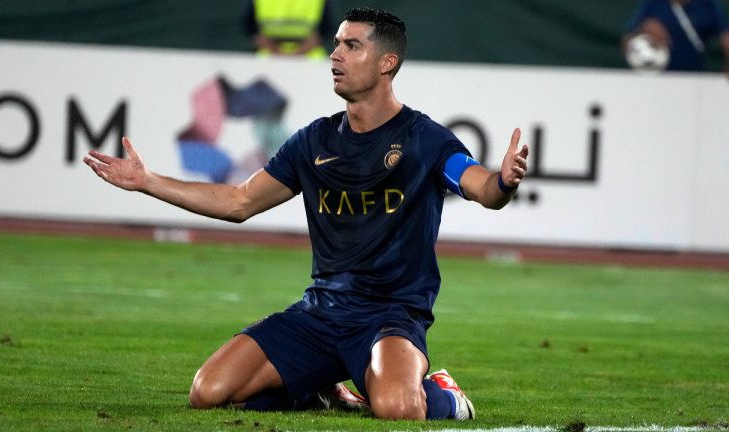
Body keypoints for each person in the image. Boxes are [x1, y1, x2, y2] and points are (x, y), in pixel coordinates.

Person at [84, 7, 528, 421]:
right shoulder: (313, 141)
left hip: (390, 316)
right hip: (320, 312)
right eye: (336, 43)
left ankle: (445, 394)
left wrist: (503, 181)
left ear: (386, 63)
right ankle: (320, 386)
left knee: (397, 407)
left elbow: (482, 188)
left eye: (352, 45)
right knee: (209, 392)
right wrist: (148, 181)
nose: (335, 54)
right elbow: (239, 202)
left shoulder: (424, 139)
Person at [623, 0, 729, 74]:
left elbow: (725, 36)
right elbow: (626, 43)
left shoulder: (706, 4)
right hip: (659, 77)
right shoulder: (654, 4)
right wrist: (644, 28)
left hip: (695, 77)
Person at [242, 0, 336, 59]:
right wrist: (278, 53)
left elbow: (325, 30)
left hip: (309, 55)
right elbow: (251, 29)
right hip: (269, 55)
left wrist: (294, 54)